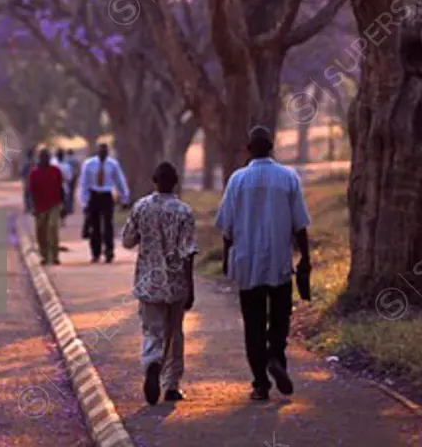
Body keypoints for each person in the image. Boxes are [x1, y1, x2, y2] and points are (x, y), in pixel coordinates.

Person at [215, 125, 311, 402]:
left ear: (249, 149)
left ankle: (260, 383)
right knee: (281, 317)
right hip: (280, 263)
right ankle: (276, 357)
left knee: (253, 322)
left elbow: (228, 228)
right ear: (272, 147)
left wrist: (225, 258)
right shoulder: (288, 177)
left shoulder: (237, 180)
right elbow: (300, 224)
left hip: (248, 264)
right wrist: (305, 258)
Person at [122, 161, 197, 405]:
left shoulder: (141, 207)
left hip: (148, 283)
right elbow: (188, 252)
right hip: (175, 284)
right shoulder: (184, 211)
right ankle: (172, 385)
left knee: (152, 331)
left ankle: (152, 362)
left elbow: (128, 241)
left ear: (154, 181)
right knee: (174, 333)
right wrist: (190, 286)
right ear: (175, 183)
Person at [79, 142, 130, 263]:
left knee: (108, 225)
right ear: (97, 151)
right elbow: (84, 183)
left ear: (107, 152)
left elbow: (119, 181)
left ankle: (109, 252)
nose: (103, 152)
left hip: (107, 196)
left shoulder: (113, 164)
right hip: (94, 195)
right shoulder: (89, 164)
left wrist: (124, 198)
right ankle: (95, 253)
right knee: (94, 226)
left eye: (105, 150)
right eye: (101, 150)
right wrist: (84, 202)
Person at [28, 148, 65, 265]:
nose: (45, 160)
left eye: (47, 157)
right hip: (40, 206)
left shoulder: (56, 171)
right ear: (39, 159)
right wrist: (32, 207)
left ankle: (54, 256)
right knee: (41, 231)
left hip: (54, 204)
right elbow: (30, 191)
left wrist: (63, 205)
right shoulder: (34, 173)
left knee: (52, 228)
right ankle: (44, 255)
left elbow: (61, 188)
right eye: (43, 157)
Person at [54, 147, 73, 217]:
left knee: (56, 204)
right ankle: (63, 219)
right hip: (64, 187)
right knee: (64, 203)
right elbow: (69, 178)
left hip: (55, 188)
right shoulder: (67, 166)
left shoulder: (53, 165)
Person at [20, 148, 35, 213]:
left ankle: (27, 208)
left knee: (26, 195)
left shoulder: (26, 163)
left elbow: (22, 173)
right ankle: (32, 207)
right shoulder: (35, 162)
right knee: (33, 194)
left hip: (27, 181)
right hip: (34, 181)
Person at [66, 148, 81, 214]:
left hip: (67, 178)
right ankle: (71, 207)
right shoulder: (76, 160)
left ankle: (69, 207)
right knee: (72, 191)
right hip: (74, 177)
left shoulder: (65, 159)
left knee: (67, 192)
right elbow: (79, 169)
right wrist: (77, 176)